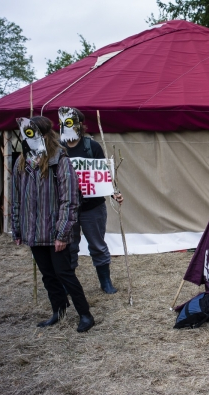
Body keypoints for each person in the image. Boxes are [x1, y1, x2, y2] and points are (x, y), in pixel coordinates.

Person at [12, 116, 94, 333]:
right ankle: (59, 309)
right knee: (48, 275)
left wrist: (62, 234)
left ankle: (85, 314)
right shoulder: (22, 162)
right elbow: (17, 199)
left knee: (64, 273)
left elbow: (70, 200)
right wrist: (18, 229)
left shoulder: (61, 161)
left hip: (55, 231)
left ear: (45, 135)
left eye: (33, 134)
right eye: (26, 135)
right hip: (33, 232)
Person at [58, 107, 122, 294]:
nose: (67, 126)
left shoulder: (91, 146)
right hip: (67, 208)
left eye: (70, 122)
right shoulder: (58, 149)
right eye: (64, 122)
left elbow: (104, 175)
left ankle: (105, 282)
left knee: (97, 245)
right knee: (69, 247)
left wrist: (114, 192)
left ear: (79, 124)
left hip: (92, 207)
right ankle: (69, 284)